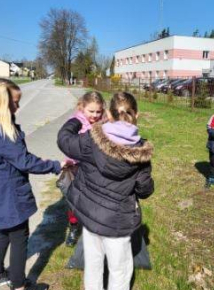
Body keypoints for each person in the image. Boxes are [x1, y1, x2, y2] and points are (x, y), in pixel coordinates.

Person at [57, 92, 154, 290]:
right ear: (137, 114)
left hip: (91, 216)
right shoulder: (141, 151)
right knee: (120, 271)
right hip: (118, 222)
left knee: (93, 265)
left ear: (108, 114)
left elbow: (64, 140)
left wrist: (77, 120)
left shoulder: (90, 139)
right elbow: (144, 190)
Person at [0, 78, 64, 290]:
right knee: (19, 236)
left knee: (5, 232)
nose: (18, 106)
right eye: (15, 102)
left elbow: (1, 157)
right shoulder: (2, 129)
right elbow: (24, 161)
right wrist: (55, 165)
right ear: (2, 103)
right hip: (9, 194)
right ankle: (19, 285)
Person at [64, 91, 105, 247]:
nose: (95, 115)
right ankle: (74, 228)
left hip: (96, 169)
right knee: (74, 201)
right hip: (76, 167)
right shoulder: (75, 122)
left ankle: (94, 229)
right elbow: (68, 144)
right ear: (82, 107)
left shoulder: (104, 122)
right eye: (91, 111)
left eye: (98, 111)